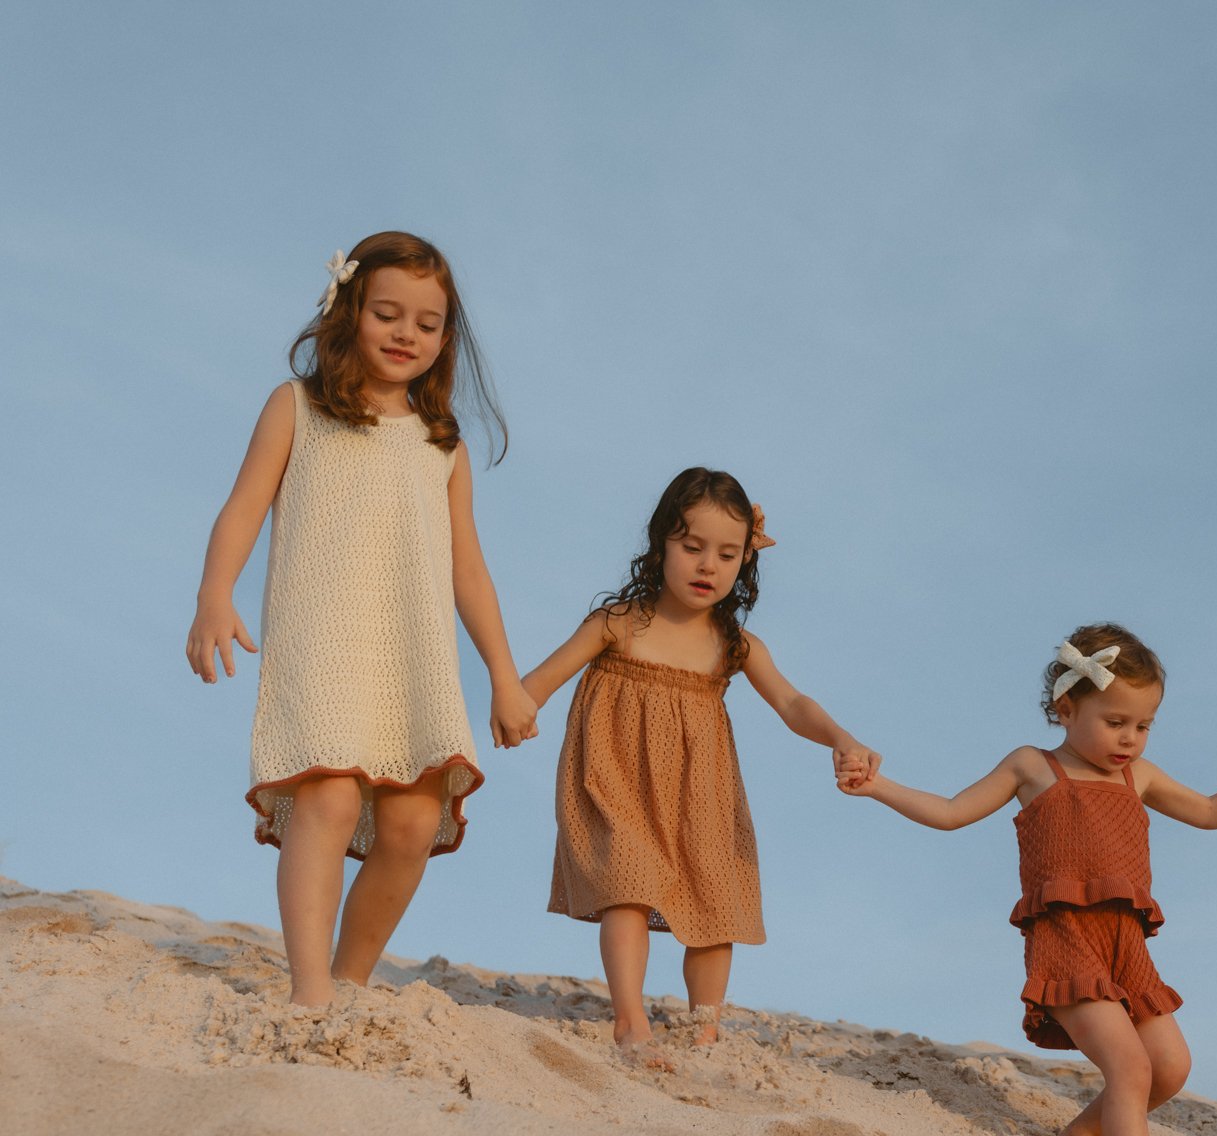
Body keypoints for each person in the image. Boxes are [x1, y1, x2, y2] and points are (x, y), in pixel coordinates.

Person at [185, 233, 536, 1007]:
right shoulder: (298, 409)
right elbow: (243, 507)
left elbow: (468, 571)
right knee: (331, 797)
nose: (406, 333)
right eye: (387, 313)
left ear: (447, 340)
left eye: (428, 322)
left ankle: (349, 980)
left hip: (411, 654)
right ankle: (309, 990)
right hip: (323, 640)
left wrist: (505, 677)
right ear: (349, 310)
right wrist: (217, 591)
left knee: (412, 823)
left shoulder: (442, 446)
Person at [843, 624, 1217, 1136]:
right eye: (1115, 722)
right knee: (1129, 1066)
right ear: (1066, 708)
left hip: (1125, 942)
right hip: (1066, 938)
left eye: (1143, 725)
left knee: (1169, 1068)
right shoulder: (1033, 766)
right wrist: (879, 787)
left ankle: (1081, 1135)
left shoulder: (1136, 777)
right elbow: (949, 811)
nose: (1130, 739)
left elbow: (1211, 810)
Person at [522, 468, 877, 1063]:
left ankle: (705, 1028)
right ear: (661, 543)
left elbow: (792, 704)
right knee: (628, 885)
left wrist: (841, 737)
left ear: (745, 561)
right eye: (692, 548)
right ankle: (631, 1021)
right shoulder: (618, 625)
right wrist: (517, 705)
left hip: (700, 791)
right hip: (615, 779)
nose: (708, 565)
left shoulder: (733, 645)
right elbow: (539, 681)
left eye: (727, 554)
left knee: (716, 898)